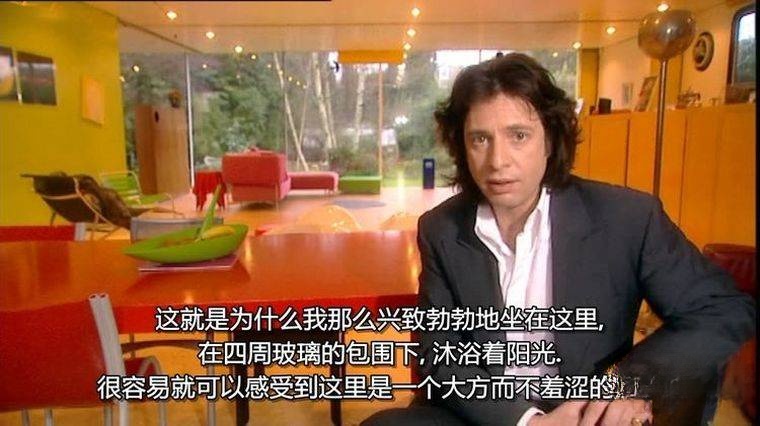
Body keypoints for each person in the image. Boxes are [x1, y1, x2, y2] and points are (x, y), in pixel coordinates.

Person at [363, 53, 755, 425]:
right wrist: (528, 421)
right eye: (480, 139)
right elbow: (438, 353)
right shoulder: (441, 228)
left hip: (587, 414)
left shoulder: (626, 217)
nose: (498, 161)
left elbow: (723, 309)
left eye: (519, 136)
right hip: (491, 415)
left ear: (550, 140)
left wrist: (625, 386)